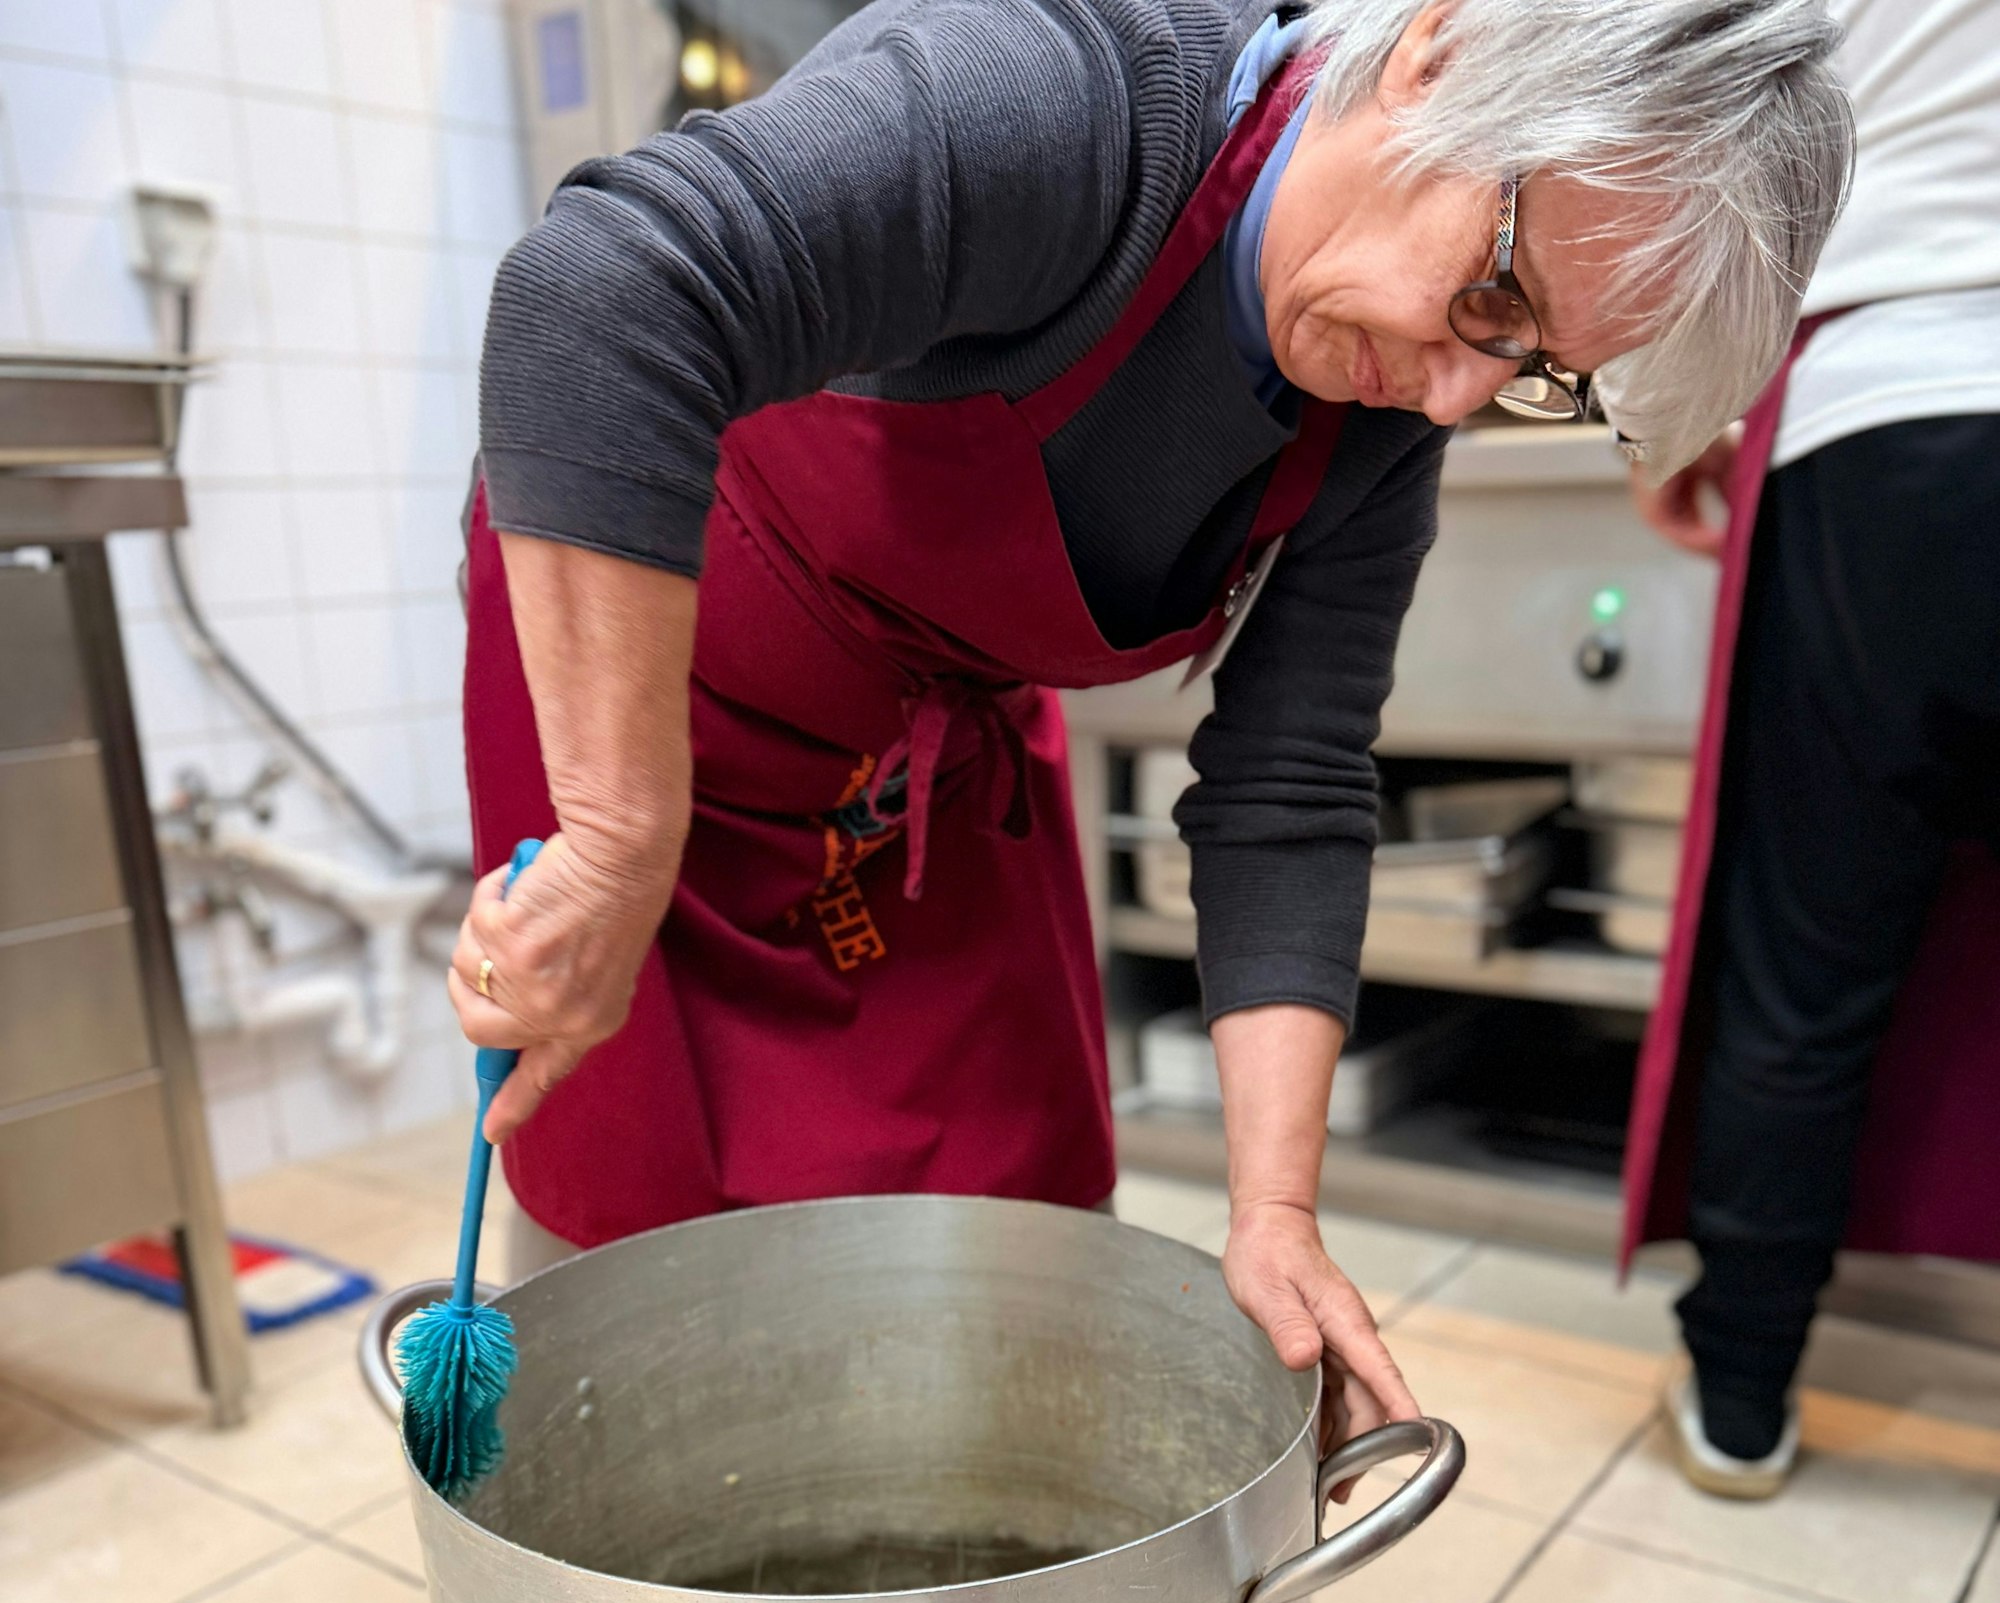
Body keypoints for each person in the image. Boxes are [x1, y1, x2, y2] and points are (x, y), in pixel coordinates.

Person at [451, 0, 1850, 1461]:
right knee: (640, 1246)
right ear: (1441, 53)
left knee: (1014, 1212)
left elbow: (1289, 784)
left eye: (1534, 371)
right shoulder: (1065, 100)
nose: (1458, 391)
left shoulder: (1378, 421)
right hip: (648, 708)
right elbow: (601, 292)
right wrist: (619, 841)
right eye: (1498, 299)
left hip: (920, 764)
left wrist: (1276, 1213)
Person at [1627, 0, 2000, 1499]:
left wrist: (1669, 419)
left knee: (1811, 964)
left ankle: (1739, 1397)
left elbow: (1695, 113)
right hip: (1889, 391)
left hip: (1882, 418)